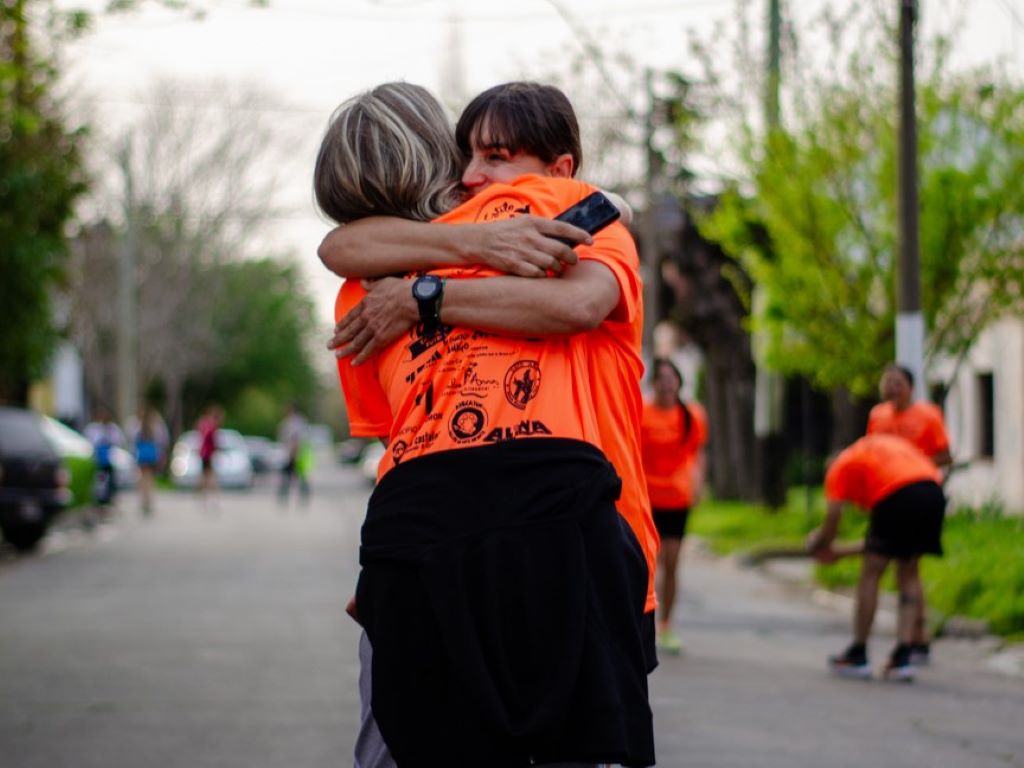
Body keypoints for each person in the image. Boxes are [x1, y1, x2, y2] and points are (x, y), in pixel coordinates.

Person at [315, 82, 653, 766]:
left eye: (494, 155)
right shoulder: (379, 276)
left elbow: (583, 299)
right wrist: (474, 247)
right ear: (438, 154)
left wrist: (425, 298)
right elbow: (339, 247)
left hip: (456, 529)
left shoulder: (541, 214)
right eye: (467, 154)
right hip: (547, 519)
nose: (476, 173)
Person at [806, 433, 945, 682]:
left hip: (899, 492)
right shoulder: (879, 451)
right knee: (909, 570)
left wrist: (817, 544)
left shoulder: (839, 466)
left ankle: (858, 653)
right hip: (932, 490)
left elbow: (832, 524)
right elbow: (880, 545)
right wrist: (837, 553)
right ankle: (903, 655)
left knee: (871, 572)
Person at [866, 363, 952, 664]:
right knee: (886, 566)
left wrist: (912, 464)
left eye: (898, 382)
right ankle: (910, 637)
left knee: (909, 566)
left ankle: (917, 637)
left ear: (911, 387)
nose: (892, 388)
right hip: (886, 497)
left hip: (917, 495)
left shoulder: (928, 415)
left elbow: (945, 455)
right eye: (887, 382)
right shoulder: (877, 415)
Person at [639, 357, 708, 656]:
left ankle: (666, 625)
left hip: (678, 498)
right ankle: (641, 621)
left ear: (679, 382)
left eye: (672, 378)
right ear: (654, 383)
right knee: (646, 563)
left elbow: (698, 452)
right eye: (662, 378)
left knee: (672, 561)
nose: (667, 384)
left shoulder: (691, 415)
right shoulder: (642, 412)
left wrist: (698, 483)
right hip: (647, 496)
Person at [127, 404, 169, 517]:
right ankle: (149, 498)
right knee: (149, 477)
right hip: (151, 454)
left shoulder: (135, 425)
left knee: (142, 477)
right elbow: (163, 439)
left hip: (141, 454)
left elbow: (131, 440)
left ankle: (143, 499)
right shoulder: (155, 425)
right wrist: (161, 455)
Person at [84, 408, 125, 519]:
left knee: (109, 481)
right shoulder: (94, 428)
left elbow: (118, 441)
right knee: (99, 482)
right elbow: (90, 442)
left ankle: (107, 501)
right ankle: (99, 502)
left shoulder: (113, 429)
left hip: (109, 461)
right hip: (98, 461)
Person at [277, 403, 311, 509]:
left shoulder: (293, 424)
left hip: (294, 456)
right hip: (294, 455)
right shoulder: (299, 423)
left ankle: (290, 500)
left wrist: (293, 454)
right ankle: (300, 500)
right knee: (296, 479)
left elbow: (296, 440)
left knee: (291, 479)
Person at [195, 405, 221, 513]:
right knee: (210, 477)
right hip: (208, 454)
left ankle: (203, 498)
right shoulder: (212, 425)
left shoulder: (202, 423)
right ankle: (211, 498)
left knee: (205, 476)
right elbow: (213, 441)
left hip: (203, 453)